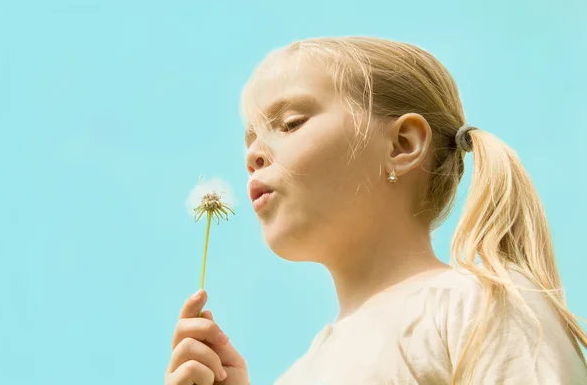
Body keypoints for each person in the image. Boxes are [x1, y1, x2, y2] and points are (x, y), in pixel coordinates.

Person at [164, 36, 587, 385]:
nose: (253, 155)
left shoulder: (479, 304)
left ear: (402, 145)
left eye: (291, 123)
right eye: (249, 140)